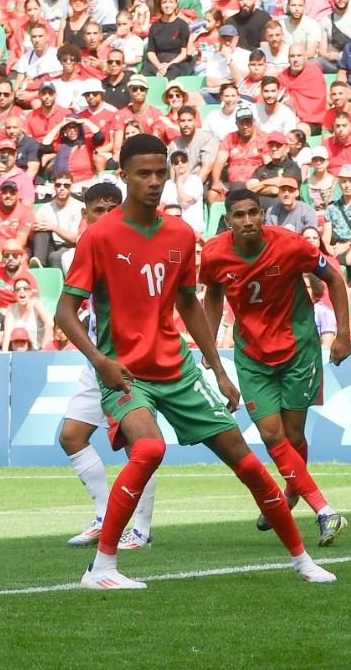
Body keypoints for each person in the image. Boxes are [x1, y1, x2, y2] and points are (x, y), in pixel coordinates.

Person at [55, 134, 335, 589]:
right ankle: (102, 568)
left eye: (160, 173)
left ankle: (302, 559)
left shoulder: (182, 235)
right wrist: (99, 360)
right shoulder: (100, 236)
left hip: (177, 368)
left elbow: (189, 304)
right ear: (123, 175)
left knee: (246, 462)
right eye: (142, 173)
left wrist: (218, 370)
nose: (152, 182)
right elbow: (65, 312)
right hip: (125, 372)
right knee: (148, 448)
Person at [200, 189, 351, 545]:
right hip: (252, 356)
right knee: (271, 436)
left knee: (293, 436)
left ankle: (291, 492)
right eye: (240, 215)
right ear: (228, 221)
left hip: (298, 350)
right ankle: (325, 510)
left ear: (263, 215)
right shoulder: (214, 254)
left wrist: (343, 334)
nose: (248, 220)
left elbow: (333, 277)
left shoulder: (290, 244)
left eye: (254, 212)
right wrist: (208, 341)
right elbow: (213, 294)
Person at [56, 183, 159, 550]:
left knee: (140, 446)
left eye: (112, 208)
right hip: (98, 360)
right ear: (85, 216)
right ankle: (104, 515)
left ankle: (142, 530)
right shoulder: (81, 253)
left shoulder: (135, 246)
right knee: (71, 436)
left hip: (132, 361)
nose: (106, 216)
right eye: (97, 210)